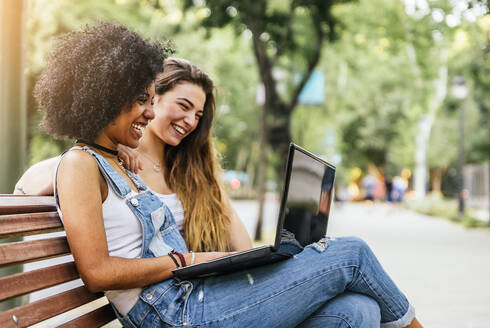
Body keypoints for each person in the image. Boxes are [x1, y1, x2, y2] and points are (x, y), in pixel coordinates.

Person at [16, 22, 423, 327]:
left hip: (194, 298)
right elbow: (97, 273)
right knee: (350, 253)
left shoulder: (121, 165)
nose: (150, 111)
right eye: (142, 101)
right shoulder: (80, 164)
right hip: (175, 314)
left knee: (358, 309)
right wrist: (185, 259)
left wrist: (232, 261)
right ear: (105, 95)